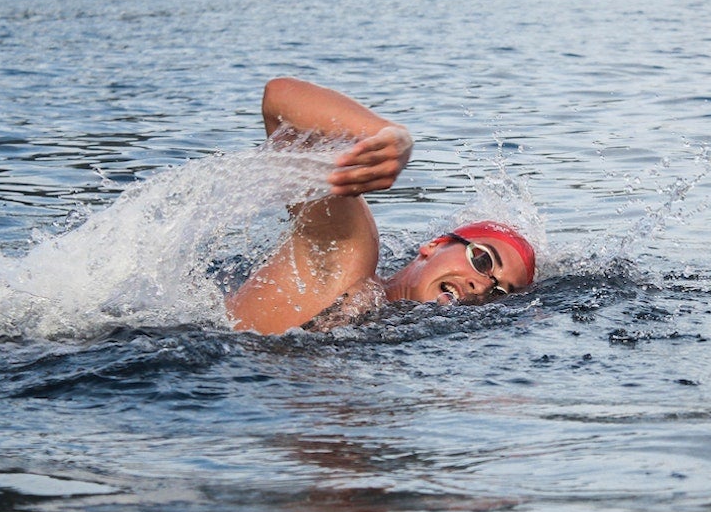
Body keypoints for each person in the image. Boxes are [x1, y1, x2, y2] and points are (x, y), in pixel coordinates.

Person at [225, 78, 537, 335]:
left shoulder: (393, 329)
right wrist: (389, 134)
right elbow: (278, 99)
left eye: (499, 292)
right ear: (434, 245)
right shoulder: (348, 260)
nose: (481, 285)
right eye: (482, 261)